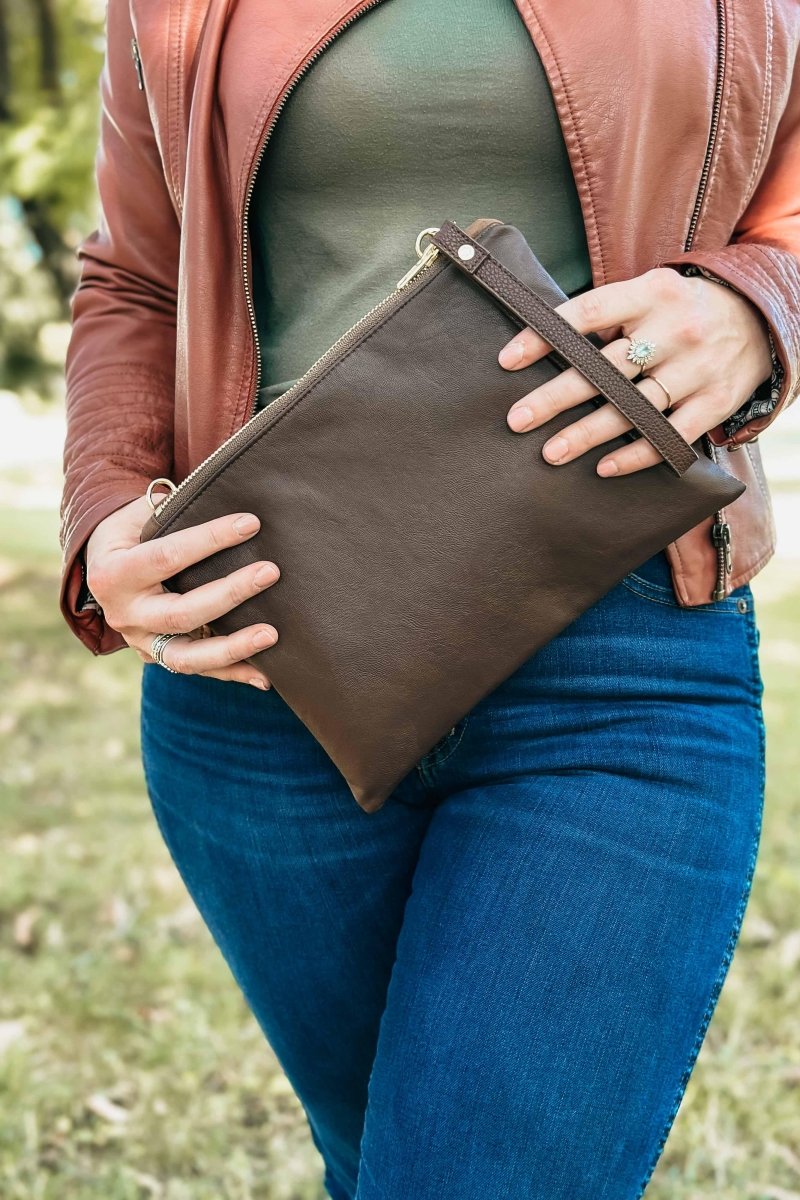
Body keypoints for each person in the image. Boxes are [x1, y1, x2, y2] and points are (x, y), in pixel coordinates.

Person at [59, 1, 799, 1196]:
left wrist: (759, 301)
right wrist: (100, 514)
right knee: (383, 1161)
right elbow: (136, 274)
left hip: (618, 663)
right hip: (261, 664)